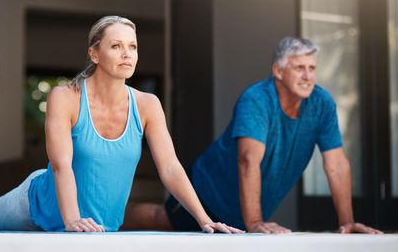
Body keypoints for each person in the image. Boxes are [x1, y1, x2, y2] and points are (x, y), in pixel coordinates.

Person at [0, 15, 243, 233]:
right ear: (94, 53)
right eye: (116, 46)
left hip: (97, 226)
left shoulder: (147, 105)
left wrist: (204, 220)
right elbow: (61, 165)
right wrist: (72, 221)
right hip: (40, 206)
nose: (127, 54)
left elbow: (171, 169)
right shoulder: (65, 97)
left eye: (132, 46)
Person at [124, 37, 383, 234]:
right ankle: (113, 226)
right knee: (162, 219)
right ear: (278, 71)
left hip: (245, 208)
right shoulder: (257, 100)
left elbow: (336, 164)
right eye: (299, 68)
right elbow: (248, 160)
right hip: (208, 191)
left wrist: (347, 222)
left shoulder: (322, 104)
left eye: (312, 68)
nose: (308, 76)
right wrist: (255, 222)